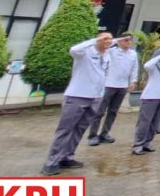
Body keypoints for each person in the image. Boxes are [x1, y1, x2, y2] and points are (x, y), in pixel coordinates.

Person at [41, 32, 113, 176]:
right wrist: (94, 40)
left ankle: (67, 156)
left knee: (80, 129)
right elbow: (73, 49)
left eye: (110, 39)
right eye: (105, 39)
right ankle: (51, 162)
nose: (109, 41)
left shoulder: (107, 55)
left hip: (95, 97)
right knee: (65, 129)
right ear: (97, 40)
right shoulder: (84, 52)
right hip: (77, 96)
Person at [88, 34, 136, 146]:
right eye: (125, 40)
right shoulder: (112, 51)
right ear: (119, 41)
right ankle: (93, 135)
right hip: (109, 85)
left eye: (130, 40)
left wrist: (133, 81)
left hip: (122, 86)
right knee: (100, 111)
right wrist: (116, 40)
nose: (128, 42)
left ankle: (104, 133)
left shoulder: (133, 53)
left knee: (113, 111)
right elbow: (104, 46)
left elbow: (134, 67)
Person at [132, 47, 160, 155]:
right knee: (144, 122)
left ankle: (147, 142)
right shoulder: (155, 65)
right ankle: (138, 144)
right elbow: (147, 65)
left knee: (155, 121)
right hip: (151, 96)